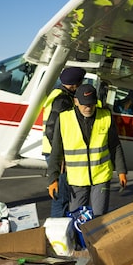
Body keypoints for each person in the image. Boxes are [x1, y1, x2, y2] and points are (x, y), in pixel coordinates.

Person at [47, 84, 128, 216]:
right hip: (77, 179)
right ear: (76, 101)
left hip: (101, 176)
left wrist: (121, 171)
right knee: (77, 217)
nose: (88, 108)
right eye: (84, 104)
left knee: (99, 216)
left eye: (91, 104)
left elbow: (115, 145)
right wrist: (53, 179)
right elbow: (56, 151)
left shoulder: (106, 116)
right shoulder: (64, 119)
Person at [41, 67, 86, 217]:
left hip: (54, 152)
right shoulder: (63, 100)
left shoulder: (57, 94)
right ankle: (58, 227)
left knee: (62, 194)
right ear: (75, 84)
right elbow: (52, 129)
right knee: (61, 196)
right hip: (58, 155)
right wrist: (60, 154)